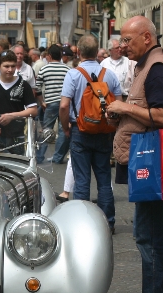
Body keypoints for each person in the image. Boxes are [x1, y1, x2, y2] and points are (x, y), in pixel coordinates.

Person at [106, 16, 163, 293]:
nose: (122, 45)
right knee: (160, 233)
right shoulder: (149, 65)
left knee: (149, 234)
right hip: (153, 162)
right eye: (121, 40)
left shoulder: (155, 69)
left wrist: (124, 107)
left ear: (146, 37)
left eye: (127, 40)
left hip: (152, 164)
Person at [60, 34, 121, 233]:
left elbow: (63, 106)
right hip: (103, 132)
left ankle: (82, 225)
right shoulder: (109, 74)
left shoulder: (73, 74)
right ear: (97, 52)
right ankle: (108, 223)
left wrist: (65, 127)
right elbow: (119, 104)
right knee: (104, 179)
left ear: (78, 51)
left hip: (80, 130)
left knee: (82, 179)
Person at [0, 50, 37, 155]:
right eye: (6, 66)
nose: (10, 70)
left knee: (16, 166)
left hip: (16, 135)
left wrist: (12, 116)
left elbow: (33, 110)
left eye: (13, 66)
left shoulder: (23, 85)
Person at [35, 45, 69, 164]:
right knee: (63, 130)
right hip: (65, 103)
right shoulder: (67, 69)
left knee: (46, 130)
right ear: (61, 56)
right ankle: (58, 157)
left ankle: (39, 157)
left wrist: (41, 101)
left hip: (50, 103)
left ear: (49, 56)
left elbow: (37, 87)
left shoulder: (44, 69)